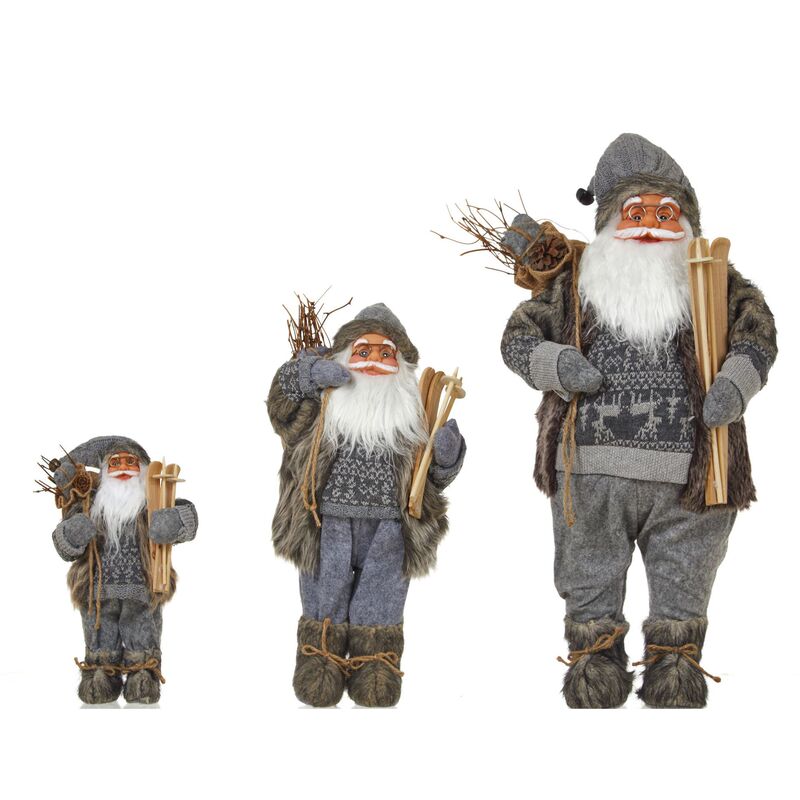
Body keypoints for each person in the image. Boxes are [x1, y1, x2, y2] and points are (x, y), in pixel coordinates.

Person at [501, 133, 777, 708]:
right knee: (588, 571)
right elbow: (518, 339)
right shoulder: (574, 284)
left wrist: (734, 384)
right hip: (588, 470)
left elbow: (757, 335)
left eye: (666, 213)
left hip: (694, 475)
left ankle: (676, 662)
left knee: (687, 574)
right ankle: (594, 660)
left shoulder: (716, 280)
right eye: (635, 212)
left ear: (688, 223)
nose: (651, 224)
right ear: (609, 221)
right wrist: (557, 365)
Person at [267, 303, 465, 707]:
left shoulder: (413, 419)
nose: (374, 359)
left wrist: (446, 457)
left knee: (382, 597)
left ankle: (376, 664)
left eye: (385, 352)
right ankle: (319, 661)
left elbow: (430, 482)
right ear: (343, 357)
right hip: (327, 522)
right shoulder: (321, 407)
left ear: (401, 365)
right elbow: (279, 409)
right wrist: (307, 375)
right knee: (324, 594)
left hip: (389, 528)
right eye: (363, 350)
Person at [50, 435, 197, 704]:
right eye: (115, 463)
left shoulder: (152, 504)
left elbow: (188, 519)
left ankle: (143, 675)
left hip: (142, 589)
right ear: (104, 471)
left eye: (131, 462)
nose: (123, 468)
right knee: (99, 635)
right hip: (97, 591)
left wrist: (172, 522)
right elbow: (64, 547)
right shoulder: (88, 506)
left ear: (144, 470)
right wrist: (73, 533)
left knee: (142, 631)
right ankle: (100, 676)